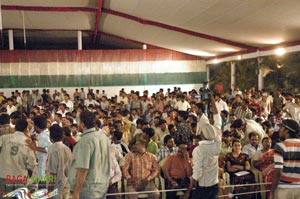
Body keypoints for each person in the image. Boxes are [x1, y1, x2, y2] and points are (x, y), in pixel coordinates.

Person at [185, 95, 222, 199]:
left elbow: (197, 172)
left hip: (204, 187)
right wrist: (212, 99)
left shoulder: (199, 150)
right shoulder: (217, 143)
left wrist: (188, 191)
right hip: (215, 184)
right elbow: (217, 116)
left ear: (202, 135)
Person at [68, 111, 111, 199]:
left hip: (88, 188)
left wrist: (76, 192)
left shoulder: (85, 140)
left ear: (83, 124)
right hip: (102, 185)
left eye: (79, 122)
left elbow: (83, 168)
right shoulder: (104, 137)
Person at [0, 118, 36, 196]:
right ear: (26, 129)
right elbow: (31, 163)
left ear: (15, 127)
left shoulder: (5, 138)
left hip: (4, 174)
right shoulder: (28, 142)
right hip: (20, 176)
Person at [269, 119, 300, 199]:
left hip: (284, 189)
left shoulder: (280, 146)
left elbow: (278, 172)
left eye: (281, 127)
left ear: (287, 131)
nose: (279, 130)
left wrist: (272, 191)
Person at [47, 124, 72, 199]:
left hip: (56, 185)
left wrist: (50, 190)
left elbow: (53, 172)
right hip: (67, 183)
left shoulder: (53, 149)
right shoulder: (67, 148)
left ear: (51, 138)